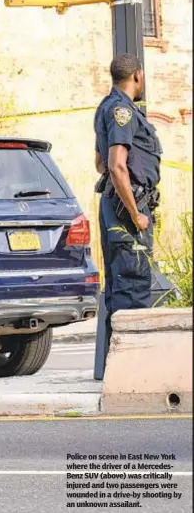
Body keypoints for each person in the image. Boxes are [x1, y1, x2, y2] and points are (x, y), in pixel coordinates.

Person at [94, 53, 162, 346]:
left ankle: (115, 364)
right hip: (127, 209)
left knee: (119, 285)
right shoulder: (122, 110)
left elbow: (99, 162)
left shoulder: (105, 107)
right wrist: (136, 214)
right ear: (137, 75)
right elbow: (114, 165)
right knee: (133, 287)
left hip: (115, 203)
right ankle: (133, 366)